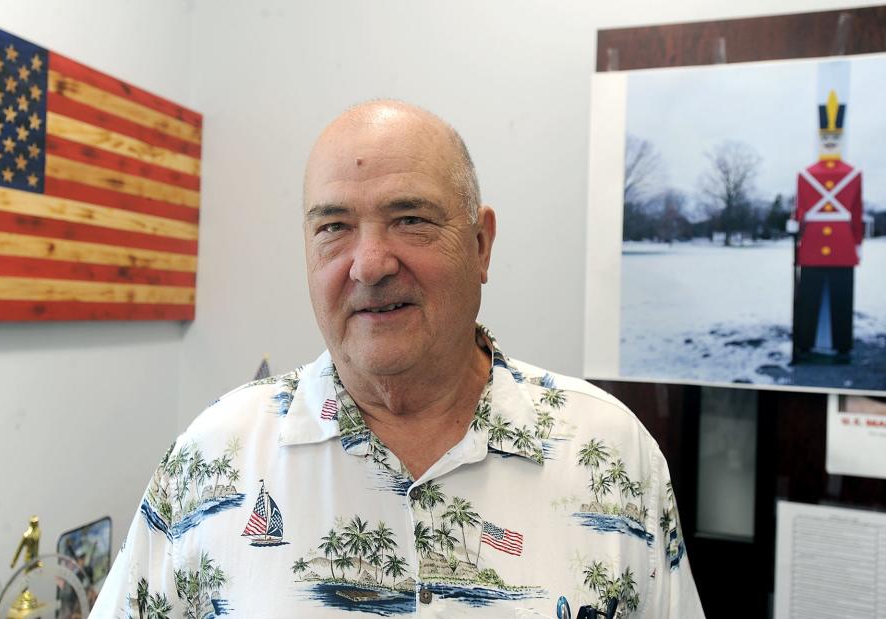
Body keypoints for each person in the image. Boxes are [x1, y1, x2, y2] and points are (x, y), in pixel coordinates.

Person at [93, 100, 704, 618]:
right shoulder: (211, 458)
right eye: (334, 227)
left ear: (481, 244)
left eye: (410, 219)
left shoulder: (611, 453)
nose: (370, 264)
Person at [790, 84, 863, 364]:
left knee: (842, 301)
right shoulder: (804, 175)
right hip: (814, 245)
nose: (830, 139)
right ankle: (804, 346)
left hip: (840, 248)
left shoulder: (853, 174)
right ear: (821, 138)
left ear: (840, 138)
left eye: (835, 135)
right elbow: (801, 210)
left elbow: (855, 213)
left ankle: (843, 347)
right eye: (827, 135)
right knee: (808, 301)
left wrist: (857, 244)